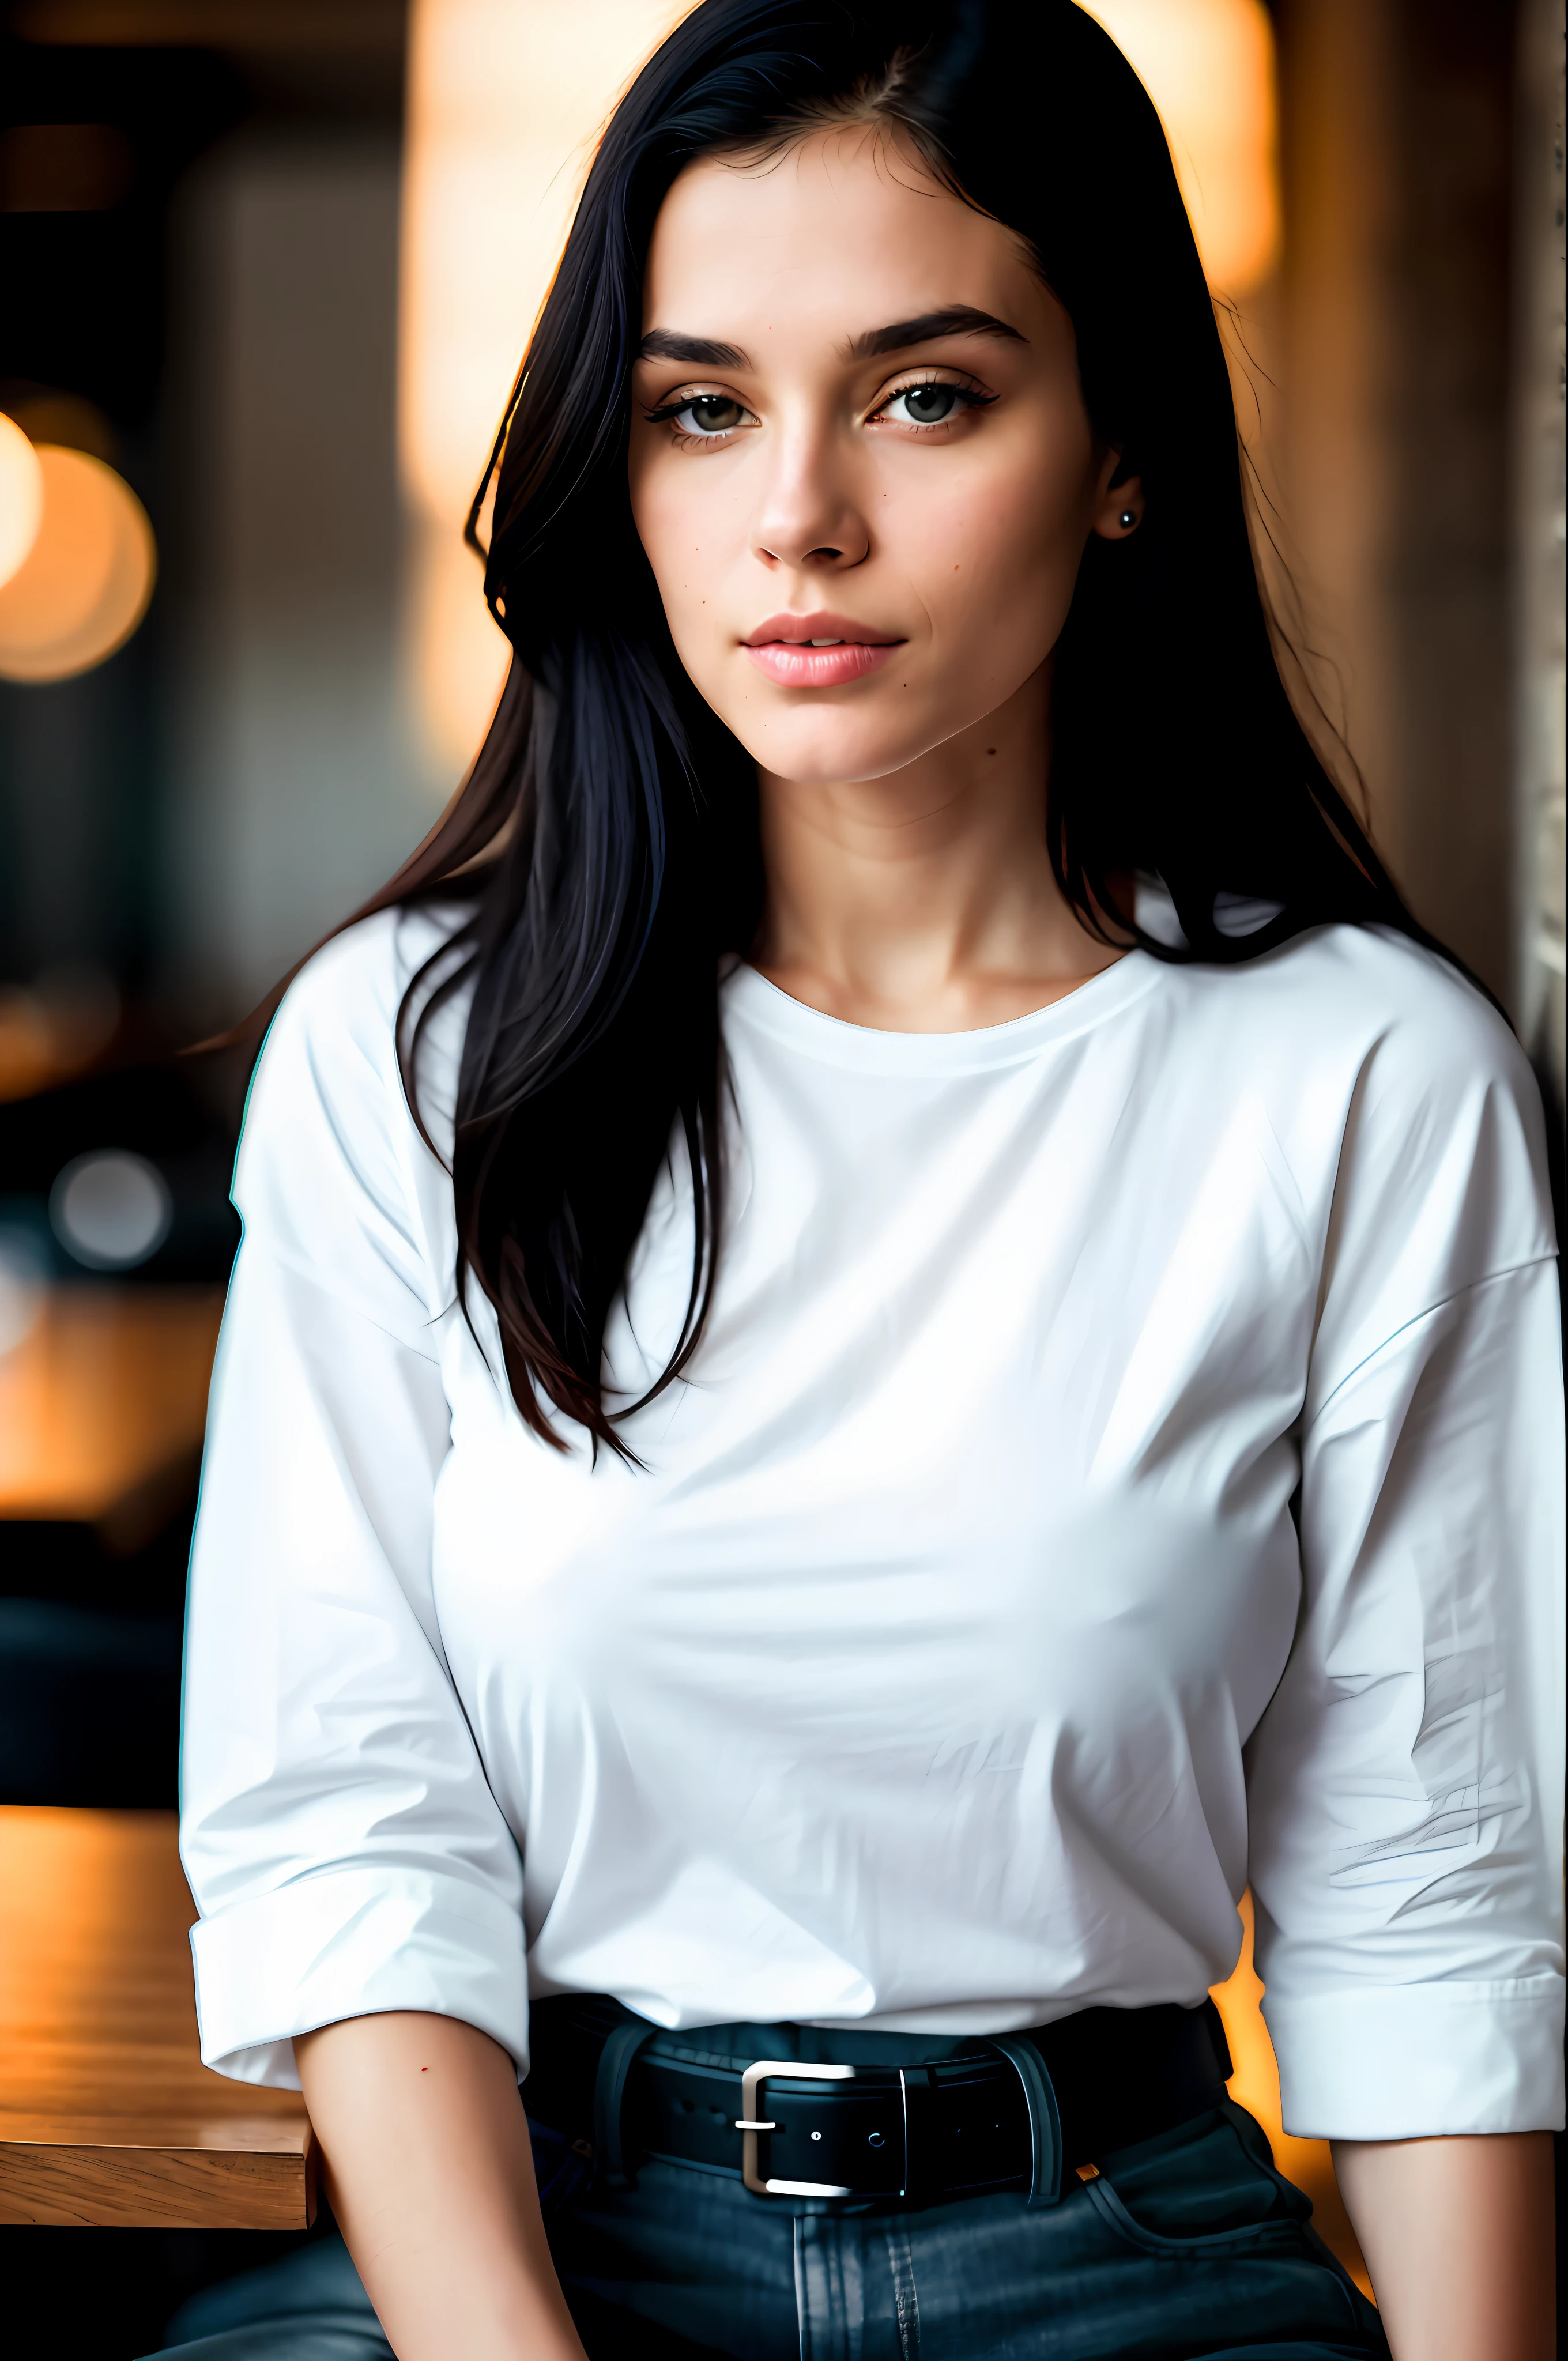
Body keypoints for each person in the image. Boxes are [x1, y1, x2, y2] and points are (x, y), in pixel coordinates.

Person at [158, 5, 1562, 2357]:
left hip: (1115, 2255)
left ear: (1116, 448)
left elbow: (1427, 1889)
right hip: (519, 2252)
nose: (795, 513)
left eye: (923, 394)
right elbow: (347, 1835)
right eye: (702, 406)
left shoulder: (1357, 1080)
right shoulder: (420, 1052)